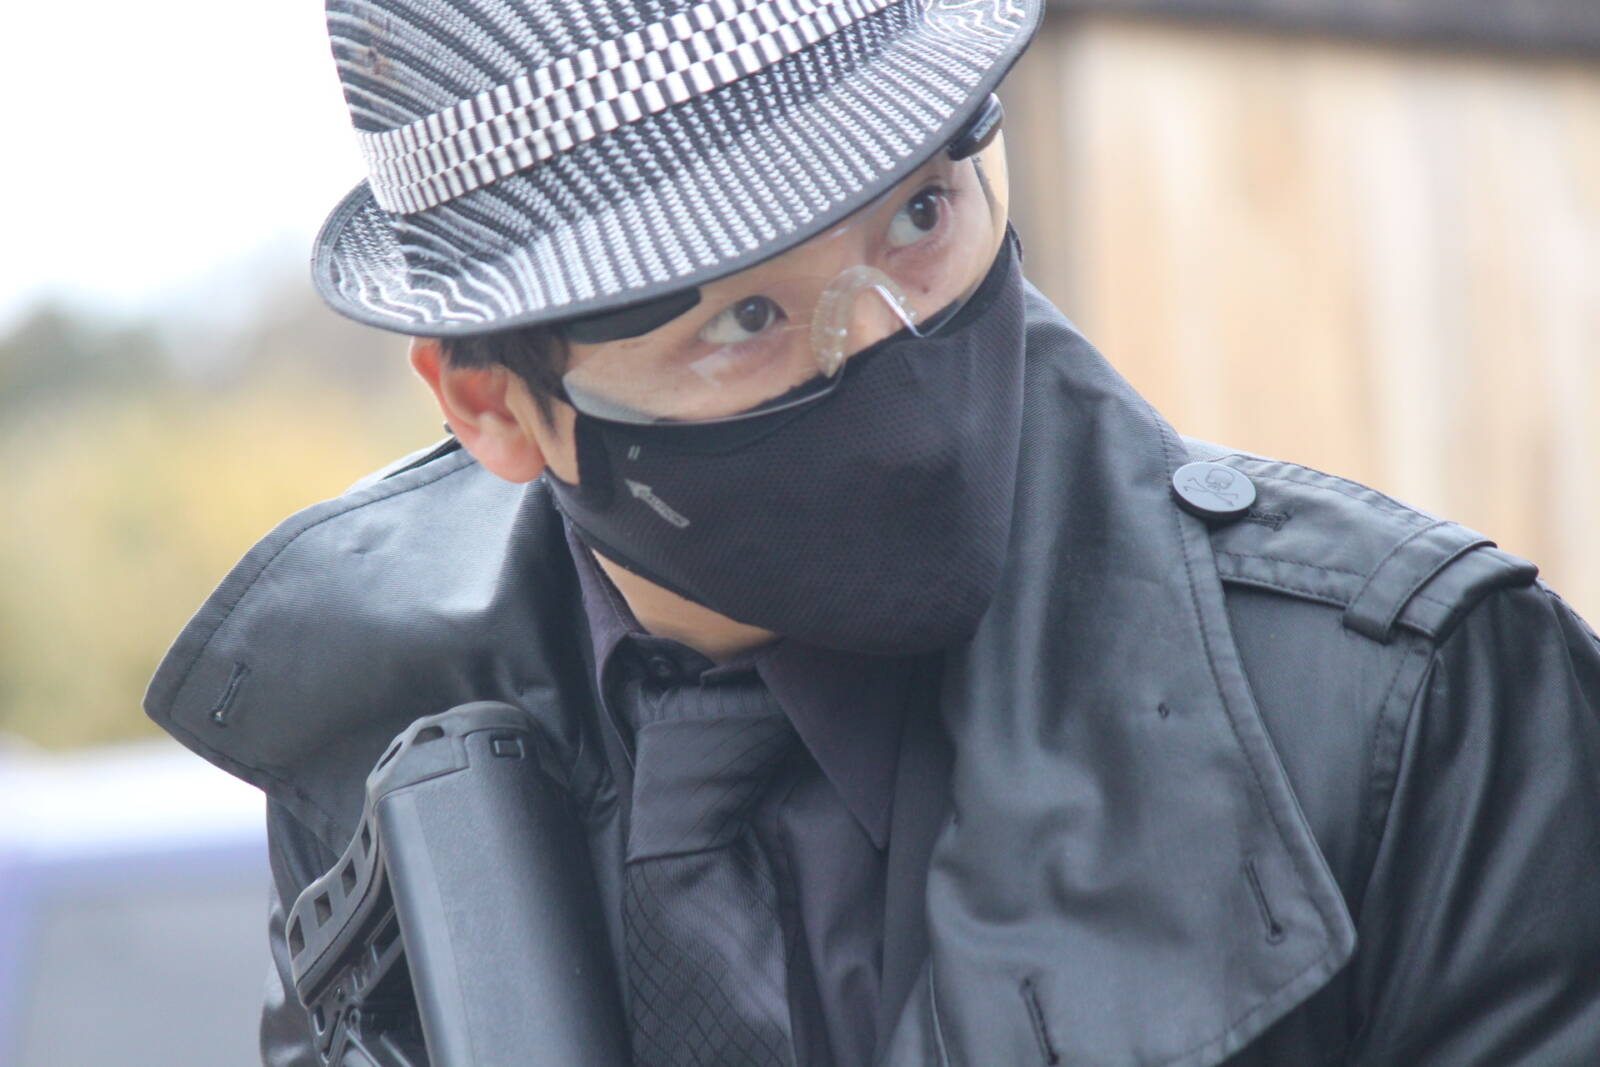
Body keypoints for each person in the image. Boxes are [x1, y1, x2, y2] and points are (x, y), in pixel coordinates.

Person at [146, 0, 1600, 1063]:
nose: (894, 358)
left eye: (921, 217)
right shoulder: (378, 748)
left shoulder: (1411, 708)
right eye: (746, 318)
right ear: (494, 406)